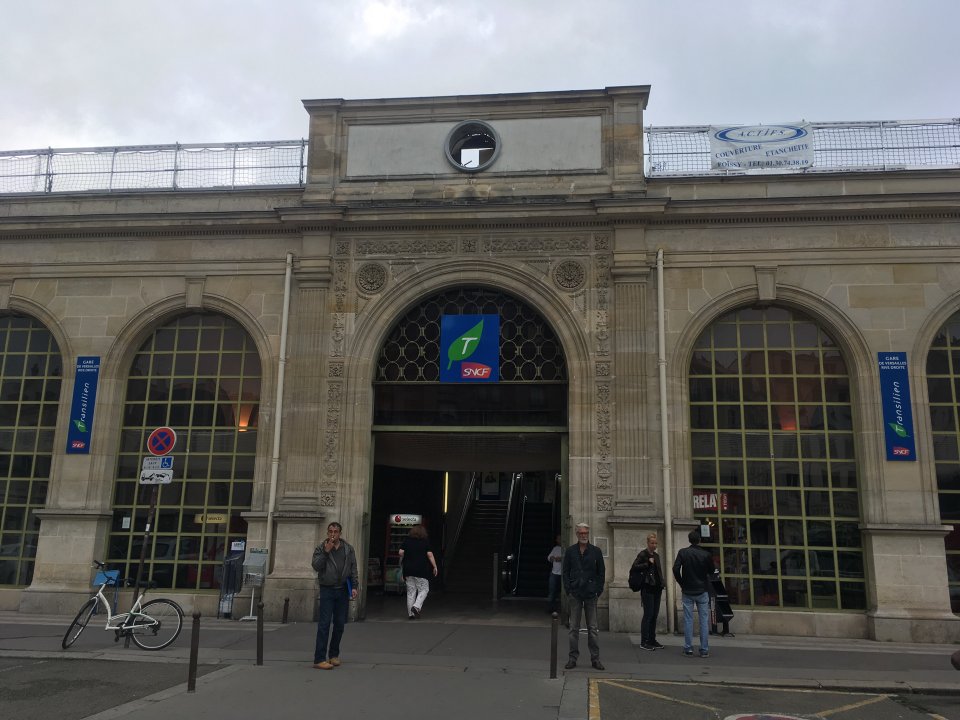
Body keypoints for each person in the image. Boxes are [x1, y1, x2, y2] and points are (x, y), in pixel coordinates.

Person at [311, 521, 359, 669]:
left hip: (342, 590)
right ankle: (319, 658)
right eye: (330, 531)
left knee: (339, 624)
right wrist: (326, 551)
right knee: (324, 624)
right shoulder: (321, 548)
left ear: (340, 533)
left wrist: (355, 586)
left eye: (335, 532)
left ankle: (333, 655)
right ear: (327, 533)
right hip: (327, 589)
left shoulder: (348, 549)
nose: (332, 534)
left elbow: (353, 568)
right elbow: (316, 566)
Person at [562, 523, 605, 670]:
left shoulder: (596, 551)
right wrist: (568, 589)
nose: (583, 535)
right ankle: (572, 658)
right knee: (573, 628)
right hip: (575, 593)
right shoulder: (570, 551)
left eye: (586, 533)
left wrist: (598, 590)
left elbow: (601, 573)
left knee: (592, 628)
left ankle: (595, 659)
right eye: (581, 533)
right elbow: (565, 571)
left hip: (591, 594)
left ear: (589, 533)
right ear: (576, 534)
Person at [672, 529, 716, 658]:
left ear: (689, 540)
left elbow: (675, 569)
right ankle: (704, 649)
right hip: (702, 589)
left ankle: (688, 648)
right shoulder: (706, 554)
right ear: (700, 540)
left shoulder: (683, 552)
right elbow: (711, 571)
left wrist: (681, 582)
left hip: (688, 590)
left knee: (688, 620)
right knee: (703, 620)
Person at [631, 532, 665, 651]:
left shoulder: (656, 556)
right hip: (647, 588)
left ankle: (652, 639)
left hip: (657, 588)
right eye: (652, 543)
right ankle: (644, 641)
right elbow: (634, 567)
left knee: (654, 615)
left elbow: (658, 571)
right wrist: (647, 564)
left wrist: (662, 583)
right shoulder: (643, 554)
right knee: (648, 615)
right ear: (648, 543)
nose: (654, 545)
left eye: (655, 543)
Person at [398, 524, 437, 619]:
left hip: (408, 570)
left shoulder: (407, 541)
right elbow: (430, 554)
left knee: (411, 591)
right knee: (424, 589)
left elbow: (400, 552)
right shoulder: (425, 542)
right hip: (421, 570)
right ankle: (416, 606)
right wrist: (435, 566)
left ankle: (411, 615)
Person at [547, 534, 563, 613]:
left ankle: (563, 609)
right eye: (557, 539)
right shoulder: (555, 548)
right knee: (552, 591)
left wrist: (561, 558)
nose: (558, 540)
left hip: (563, 574)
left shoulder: (567, 549)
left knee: (562, 592)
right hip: (554, 573)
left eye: (559, 539)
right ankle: (551, 608)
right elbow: (549, 557)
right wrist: (552, 558)